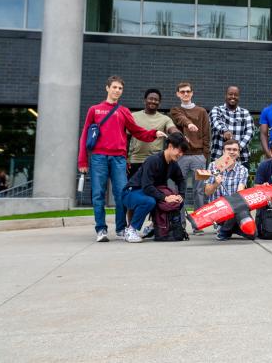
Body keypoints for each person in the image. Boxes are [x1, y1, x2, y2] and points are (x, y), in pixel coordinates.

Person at [78, 75, 166, 242]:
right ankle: (101, 229)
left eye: (120, 88)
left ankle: (120, 229)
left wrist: (154, 133)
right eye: (114, 87)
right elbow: (84, 135)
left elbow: (137, 131)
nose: (117, 90)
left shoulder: (124, 111)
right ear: (107, 88)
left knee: (121, 194)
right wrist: (82, 161)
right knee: (98, 194)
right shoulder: (94, 110)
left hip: (119, 158)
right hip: (99, 157)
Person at [121, 132, 189, 243]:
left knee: (177, 201)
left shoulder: (173, 163)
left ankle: (155, 226)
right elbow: (147, 186)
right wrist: (165, 197)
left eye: (183, 152)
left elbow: (180, 180)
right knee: (149, 201)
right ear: (171, 147)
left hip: (149, 192)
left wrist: (181, 195)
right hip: (132, 192)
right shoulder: (153, 160)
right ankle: (131, 230)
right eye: (179, 151)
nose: (181, 154)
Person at [170, 81, 210, 211]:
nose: (185, 94)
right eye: (182, 92)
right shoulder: (176, 110)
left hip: (199, 156)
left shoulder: (202, 111)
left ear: (192, 93)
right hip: (181, 156)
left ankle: (198, 224)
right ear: (178, 94)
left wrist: (205, 155)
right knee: (178, 189)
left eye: (188, 91)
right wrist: (189, 124)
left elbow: (206, 134)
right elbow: (180, 118)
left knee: (199, 190)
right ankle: (179, 223)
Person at [203, 139, 250, 240]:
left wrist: (232, 205)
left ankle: (226, 229)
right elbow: (207, 192)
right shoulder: (213, 166)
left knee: (252, 234)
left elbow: (240, 193)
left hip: (235, 209)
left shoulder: (243, 170)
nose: (232, 152)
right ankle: (226, 230)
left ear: (238, 152)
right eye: (228, 149)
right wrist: (216, 183)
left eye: (235, 150)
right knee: (237, 216)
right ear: (223, 151)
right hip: (218, 209)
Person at [128, 88, 178, 178]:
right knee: (134, 190)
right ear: (145, 100)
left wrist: (178, 135)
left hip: (155, 161)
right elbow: (126, 138)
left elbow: (172, 129)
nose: (153, 101)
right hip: (135, 160)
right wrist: (125, 159)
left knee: (154, 189)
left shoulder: (165, 119)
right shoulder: (133, 116)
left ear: (159, 102)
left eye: (156, 100)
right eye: (150, 98)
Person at [209, 85, 255, 165]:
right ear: (225, 95)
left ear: (239, 97)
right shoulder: (217, 109)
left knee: (241, 178)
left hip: (241, 159)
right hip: (219, 158)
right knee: (217, 178)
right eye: (230, 94)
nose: (233, 97)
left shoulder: (245, 113)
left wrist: (237, 148)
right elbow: (215, 122)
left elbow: (250, 132)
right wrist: (225, 131)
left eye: (236, 95)